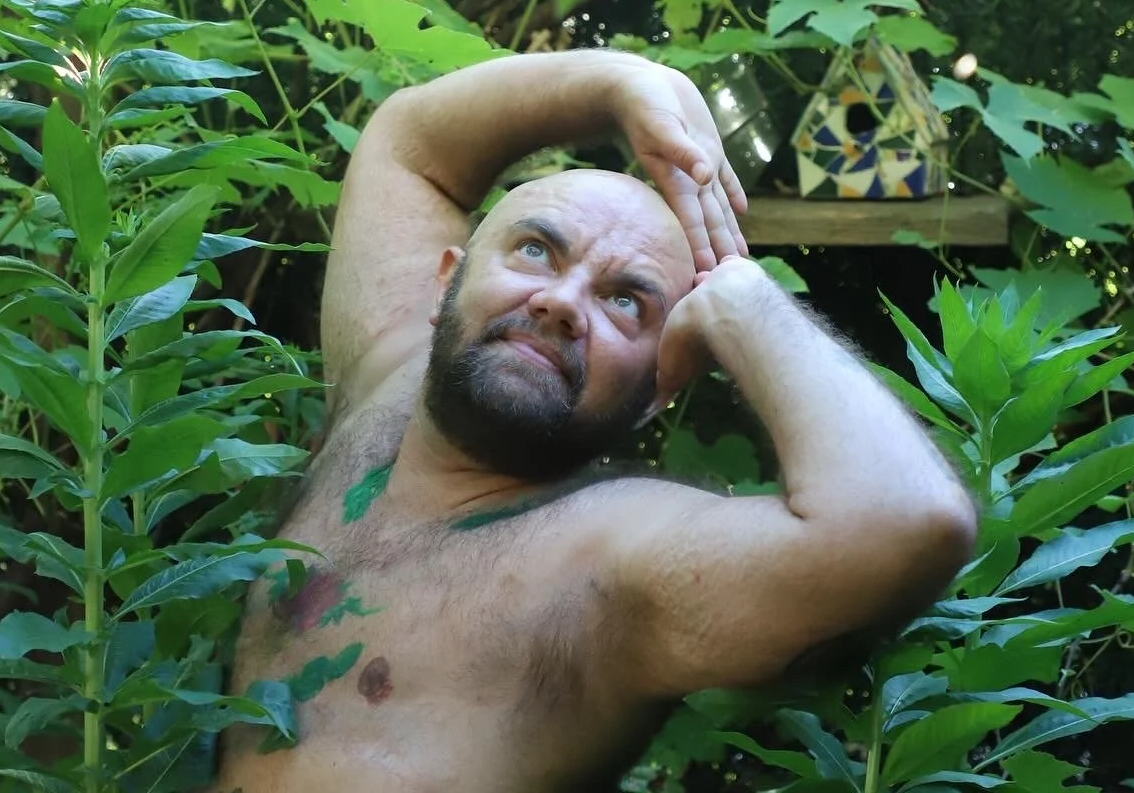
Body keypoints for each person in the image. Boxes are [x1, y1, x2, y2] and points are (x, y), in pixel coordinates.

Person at [217, 49, 976, 792]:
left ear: (658, 389)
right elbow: (409, 145)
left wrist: (744, 303)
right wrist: (619, 81)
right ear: (445, 282)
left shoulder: (612, 564)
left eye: (626, 301)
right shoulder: (384, 380)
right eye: (537, 250)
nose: (561, 303)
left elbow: (905, 522)